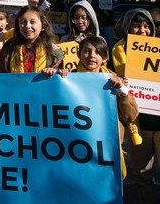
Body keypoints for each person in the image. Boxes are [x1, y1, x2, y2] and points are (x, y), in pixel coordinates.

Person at [112, 9, 160, 204]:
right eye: (136, 25)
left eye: (146, 26)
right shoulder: (116, 51)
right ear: (127, 28)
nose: (141, 30)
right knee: (142, 176)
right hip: (137, 123)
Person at [55, 36, 139, 180]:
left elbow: (129, 116)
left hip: (105, 147)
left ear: (105, 57)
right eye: (87, 51)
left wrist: (123, 92)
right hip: (76, 145)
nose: (92, 56)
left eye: (98, 52)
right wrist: (58, 79)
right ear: (79, 54)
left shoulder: (114, 80)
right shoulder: (68, 78)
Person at [0, 6, 64, 74]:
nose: (27, 26)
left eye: (32, 22)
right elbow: (2, 75)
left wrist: (54, 73)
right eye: (23, 22)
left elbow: (61, 79)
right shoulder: (9, 48)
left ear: (43, 26)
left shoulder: (54, 52)